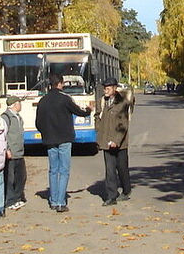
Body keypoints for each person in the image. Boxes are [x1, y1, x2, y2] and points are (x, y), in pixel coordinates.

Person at [36, 72, 91, 212]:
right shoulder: (65, 99)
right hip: (65, 139)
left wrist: (45, 132)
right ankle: (61, 202)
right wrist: (89, 110)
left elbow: (38, 123)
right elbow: (79, 112)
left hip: (49, 140)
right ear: (60, 84)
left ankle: (53, 201)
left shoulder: (43, 101)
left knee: (53, 170)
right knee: (64, 170)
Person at [96, 77, 131, 205]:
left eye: (108, 88)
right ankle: (111, 196)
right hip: (106, 141)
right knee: (109, 170)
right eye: (105, 88)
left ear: (115, 88)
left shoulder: (122, 103)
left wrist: (116, 140)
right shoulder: (102, 101)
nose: (105, 90)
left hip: (120, 143)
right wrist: (98, 130)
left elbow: (124, 124)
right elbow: (98, 116)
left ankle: (126, 190)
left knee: (122, 168)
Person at [2, 95, 27, 210]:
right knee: (9, 178)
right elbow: (4, 135)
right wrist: (7, 149)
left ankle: (18, 198)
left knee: (21, 176)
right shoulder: (6, 117)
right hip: (11, 153)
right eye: (19, 103)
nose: (20, 105)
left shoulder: (18, 117)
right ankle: (10, 200)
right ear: (14, 105)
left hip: (19, 152)